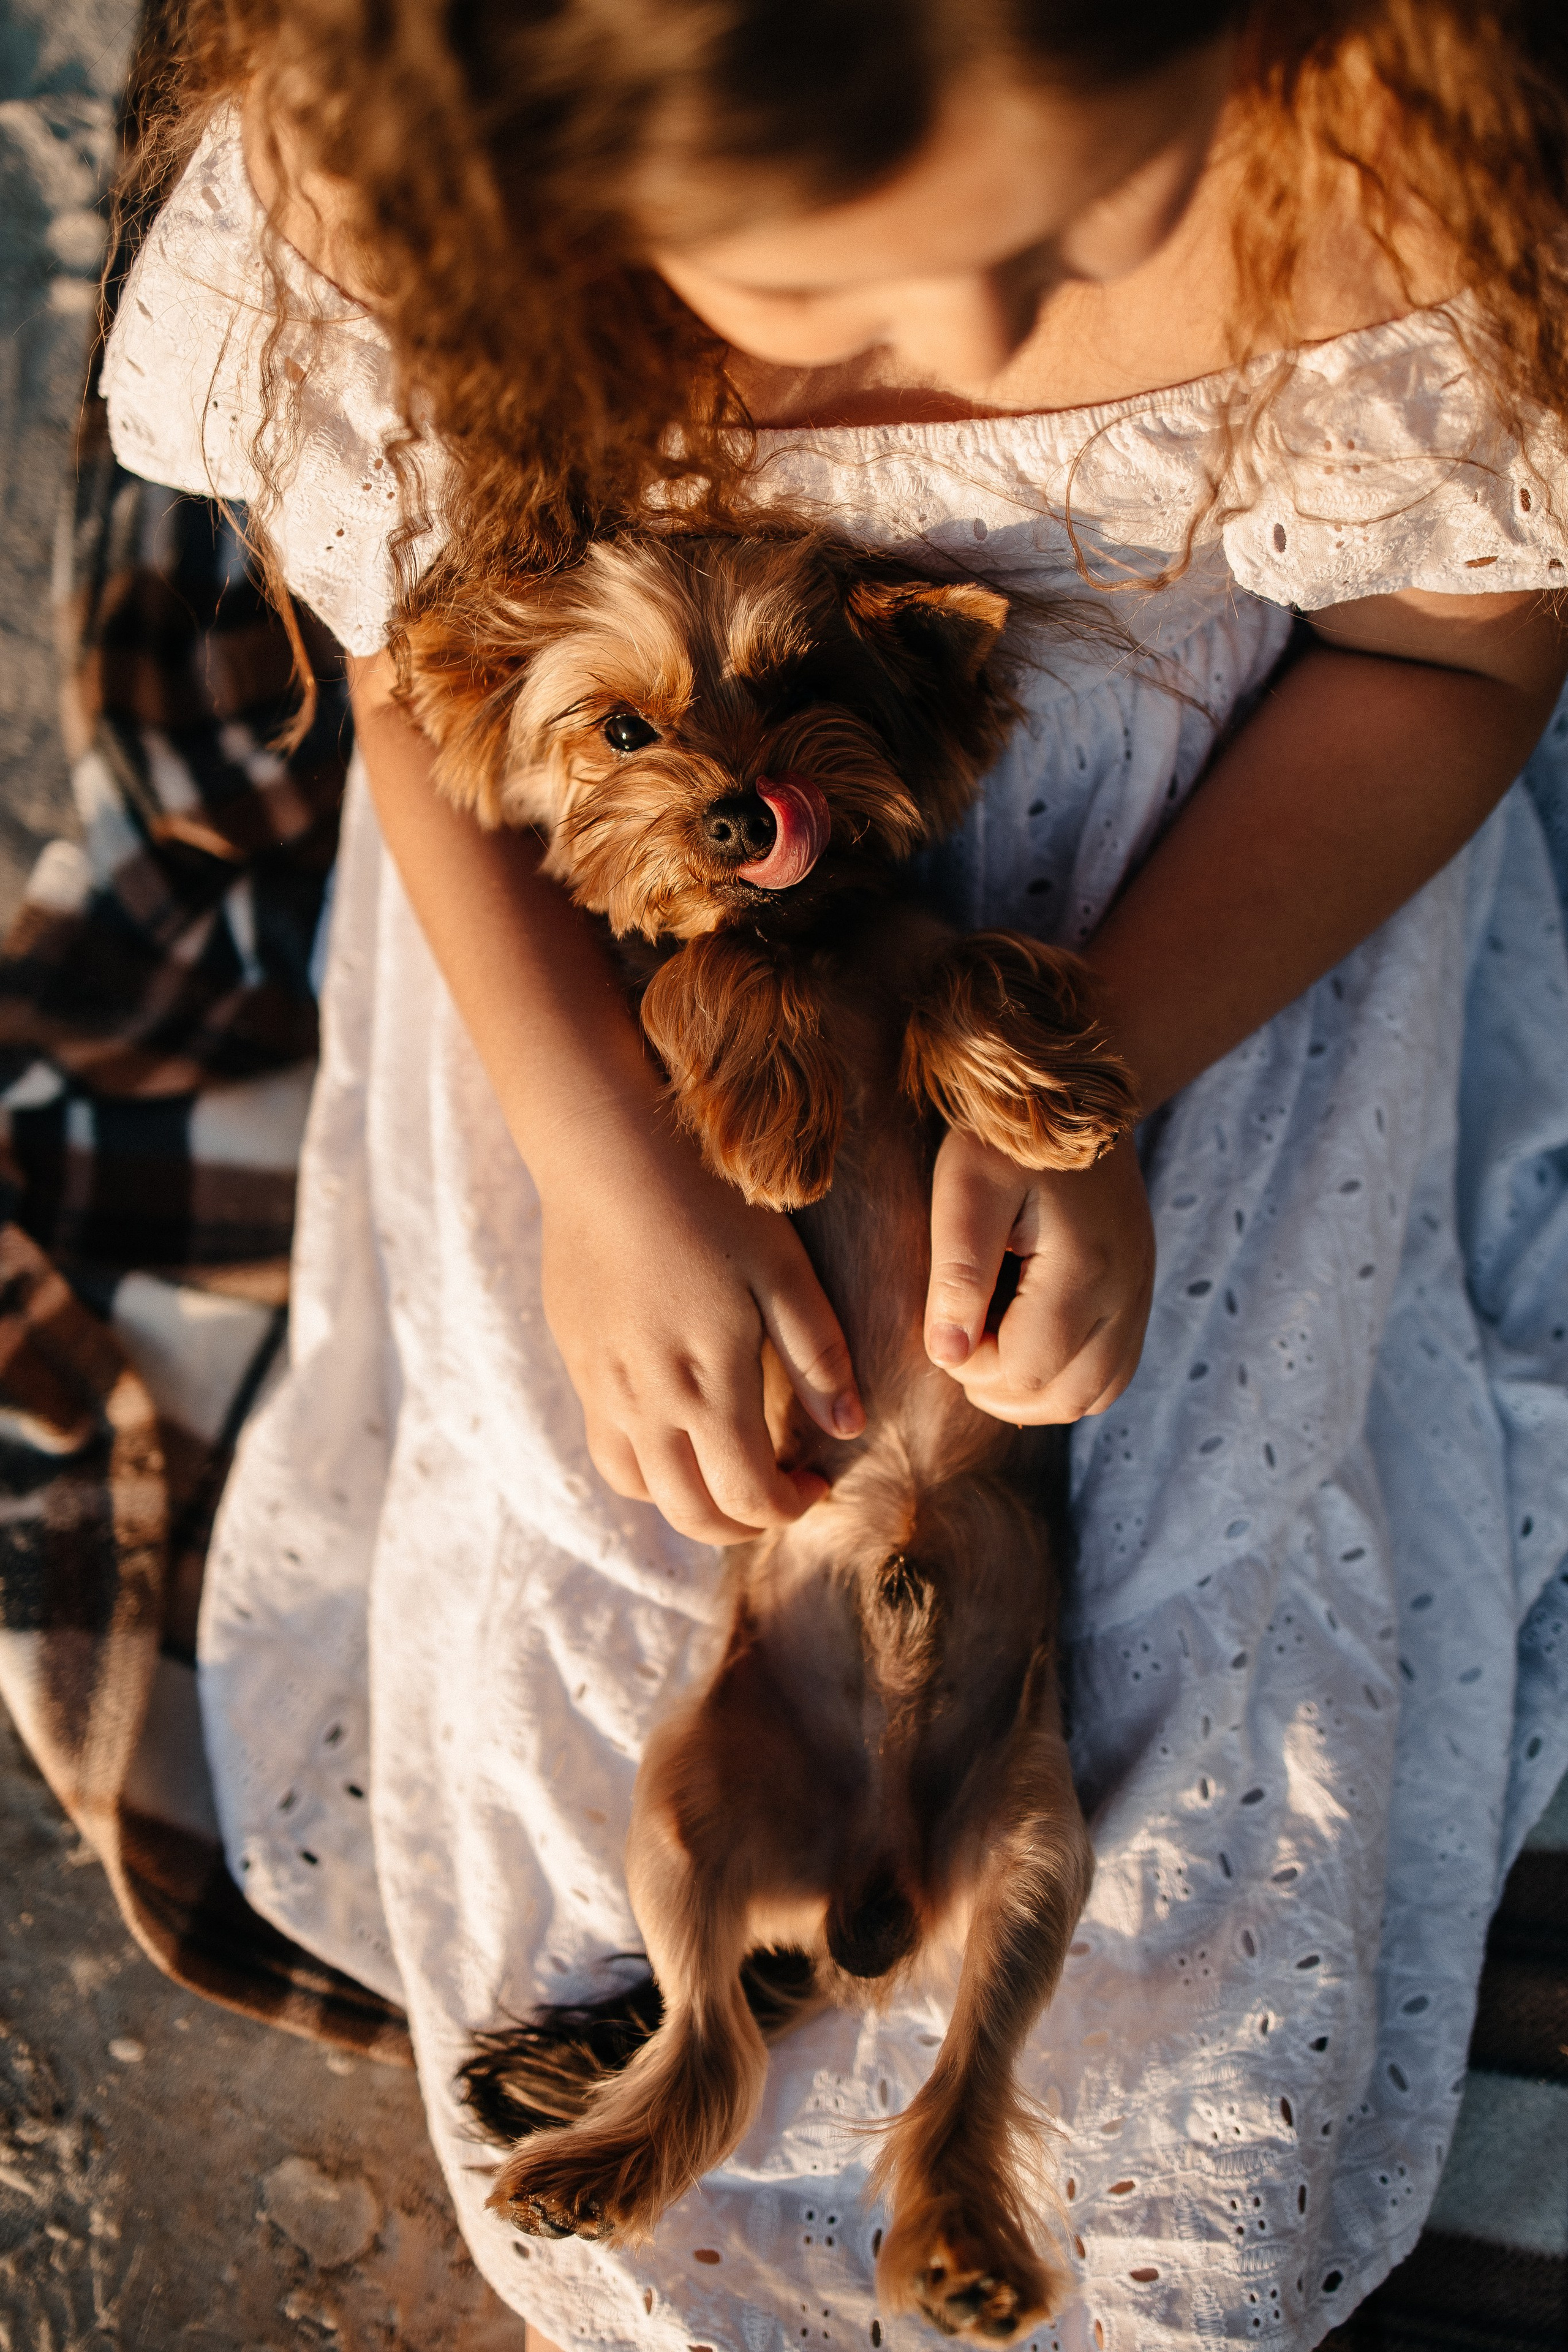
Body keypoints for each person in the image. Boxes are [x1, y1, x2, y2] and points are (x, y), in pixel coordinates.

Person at [100, 2, 1568, 2343]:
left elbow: (1451, 662)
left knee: (1190, 1865)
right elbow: (416, 681)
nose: (978, 332)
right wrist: (602, 1174)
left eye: (1089, 219)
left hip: (1204, 901)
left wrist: (1101, 1069)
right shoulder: (421, 197)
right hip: (600, 997)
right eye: (838, 273)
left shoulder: (1368, 165)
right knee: (608, 1678)